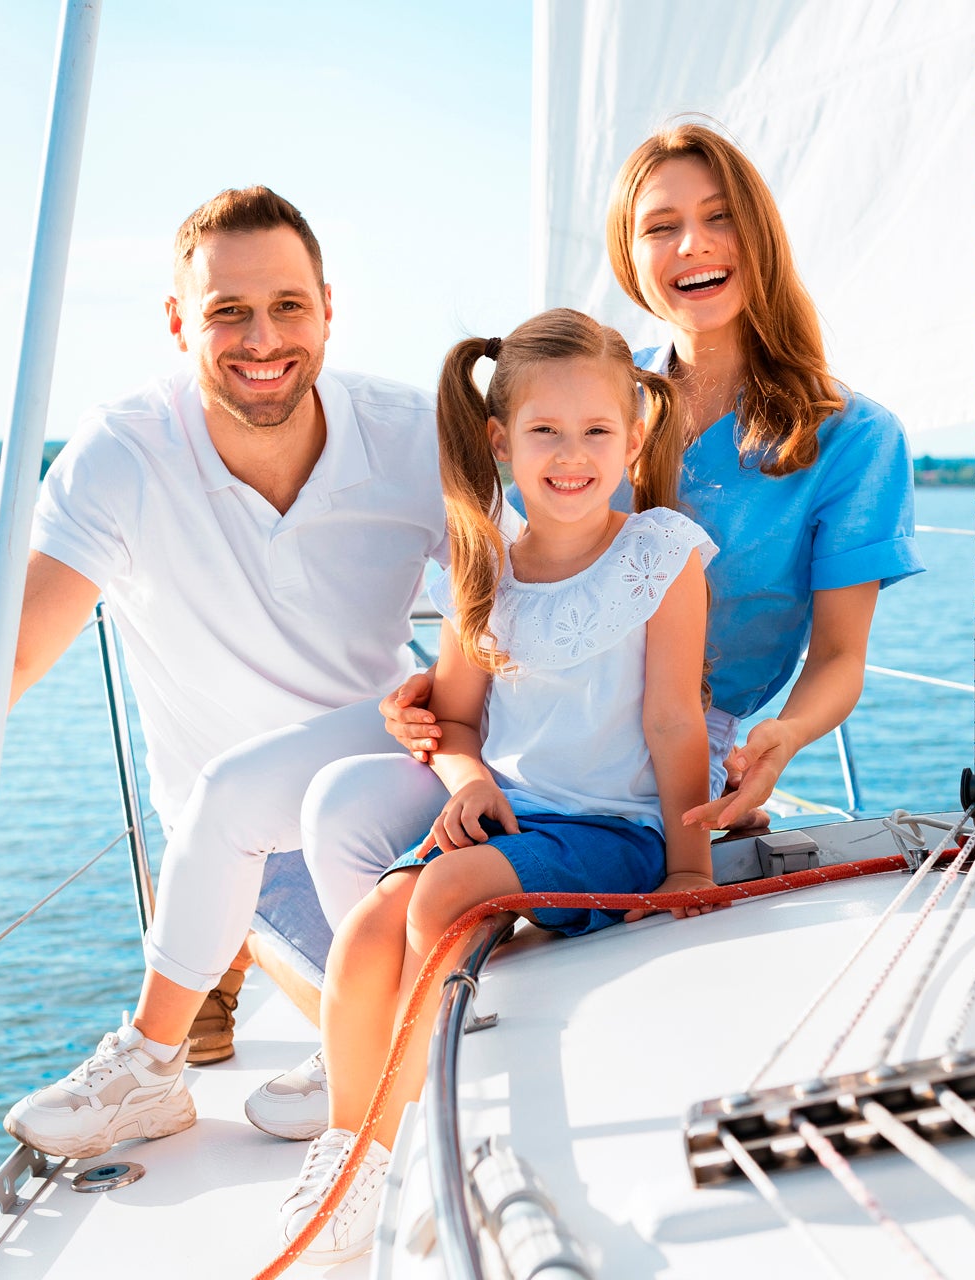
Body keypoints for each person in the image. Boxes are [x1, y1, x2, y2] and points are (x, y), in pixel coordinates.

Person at [288, 121, 924, 1120]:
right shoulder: (591, 385)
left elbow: (840, 657)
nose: (691, 248)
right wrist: (447, 694)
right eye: (660, 226)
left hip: (670, 754)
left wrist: (779, 743)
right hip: (529, 730)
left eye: (718, 220)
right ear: (628, 254)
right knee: (329, 808)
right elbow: (511, 547)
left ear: (760, 232)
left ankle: (426, 1038)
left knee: (433, 880)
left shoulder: (854, 436)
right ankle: (371, 1057)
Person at [0, 186, 469, 1160]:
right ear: (179, 322)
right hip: (244, 853)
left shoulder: (414, 436)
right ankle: (177, 1062)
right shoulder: (124, 455)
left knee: (472, 965)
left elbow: (527, 594)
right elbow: (20, 639)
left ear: (328, 307)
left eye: (287, 305)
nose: (262, 337)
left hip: (391, 790)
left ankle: (336, 1039)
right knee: (383, 968)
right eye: (227, 311)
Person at [278, 309, 718, 1264]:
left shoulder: (662, 556)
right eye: (545, 433)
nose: (572, 455)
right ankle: (353, 1148)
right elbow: (459, 720)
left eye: (598, 431)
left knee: (437, 894)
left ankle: (416, 1153)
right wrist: (466, 774)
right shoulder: (485, 571)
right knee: (362, 931)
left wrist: (690, 870)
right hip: (511, 817)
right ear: (499, 441)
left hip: (615, 829)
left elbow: (675, 723)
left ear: (635, 436)